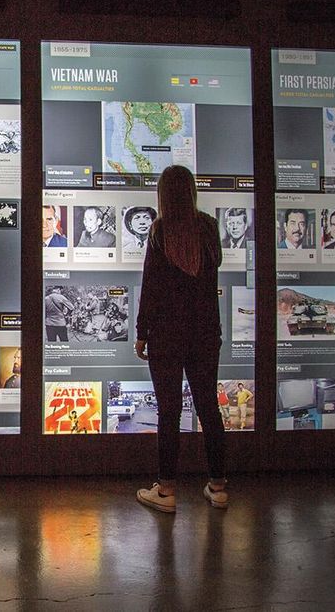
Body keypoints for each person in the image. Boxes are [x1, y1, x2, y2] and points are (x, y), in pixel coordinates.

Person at [134, 165, 228, 513]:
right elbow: (210, 272)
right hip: (205, 333)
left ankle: (166, 491)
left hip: (166, 335)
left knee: (169, 412)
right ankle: (218, 487)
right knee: (209, 408)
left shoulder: (160, 231)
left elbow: (151, 287)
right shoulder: (208, 228)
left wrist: (142, 333)